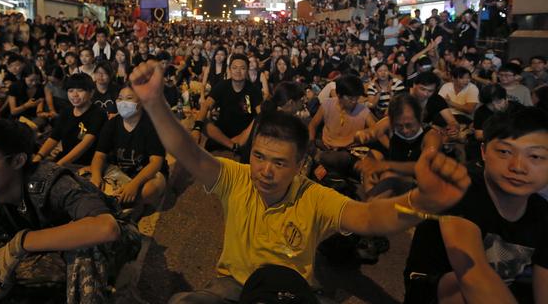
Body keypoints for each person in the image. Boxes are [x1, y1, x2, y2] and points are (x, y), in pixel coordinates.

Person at [128, 59, 470, 303]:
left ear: (300, 164)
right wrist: (154, 103)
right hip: (232, 286)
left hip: (292, 291)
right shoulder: (236, 177)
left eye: (279, 162)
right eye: (259, 157)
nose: (265, 171)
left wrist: (420, 204)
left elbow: (367, 217)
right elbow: (189, 152)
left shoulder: (314, 197)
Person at [0, 119, 141, 303]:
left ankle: (112, 287)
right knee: (2, 274)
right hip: (53, 250)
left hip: (117, 238)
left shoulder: (49, 181)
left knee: (84, 247)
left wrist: (22, 241)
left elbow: (106, 228)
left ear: (18, 160)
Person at [404, 107, 548, 304]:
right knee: (463, 284)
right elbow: (473, 276)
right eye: (505, 152)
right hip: (434, 292)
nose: (518, 167)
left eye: (536, 156)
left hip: (498, 291)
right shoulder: (460, 189)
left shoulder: (542, 212)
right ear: (484, 152)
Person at [90, 85, 167, 211]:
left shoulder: (152, 125)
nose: (123, 103)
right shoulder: (112, 124)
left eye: (129, 98)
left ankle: (120, 204)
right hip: (119, 171)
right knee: (87, 174)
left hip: (148, 174)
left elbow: (156, 163)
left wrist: (134, 185)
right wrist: (96, 177)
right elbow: (99, 155)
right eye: (120, 99)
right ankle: (124, 204)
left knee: (150, 189)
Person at [193, 53, 262, 154]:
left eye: (242, 68)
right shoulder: (223, 85)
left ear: (247, 70)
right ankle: (231, 145)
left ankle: (230, 145)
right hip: (221, 132)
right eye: (234, 68)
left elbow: (261, 115)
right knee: (201, 120)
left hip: (243, 134)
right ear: (229, 69)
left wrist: (246, 134)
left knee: (255, 123)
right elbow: (206, 105)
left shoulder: (252, 89)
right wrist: (196, 129)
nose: (238, 71)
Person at [34, 73, 106, 168]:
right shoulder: (66, 111)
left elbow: (84, 145)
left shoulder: (98, 113)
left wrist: (58, 166)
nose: (75, 95)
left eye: (80, 90)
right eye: (70, 91)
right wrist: (39, 157)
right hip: (65, 159)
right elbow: (54, 137)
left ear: (91, 92)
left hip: (87, 164)